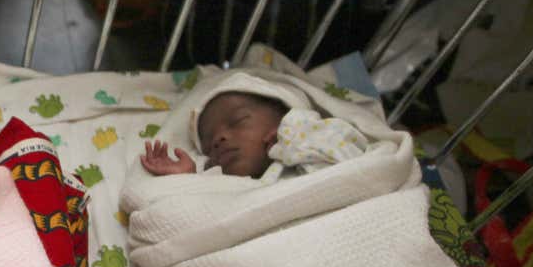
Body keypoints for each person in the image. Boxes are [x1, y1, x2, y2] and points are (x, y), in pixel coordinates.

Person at [140, 89, 368, 179]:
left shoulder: (315, 132)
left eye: (238, 121)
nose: (219, 139)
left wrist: (292, 137)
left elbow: (354, 163)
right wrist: (186, 179)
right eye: (210, 146)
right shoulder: (222, 182)